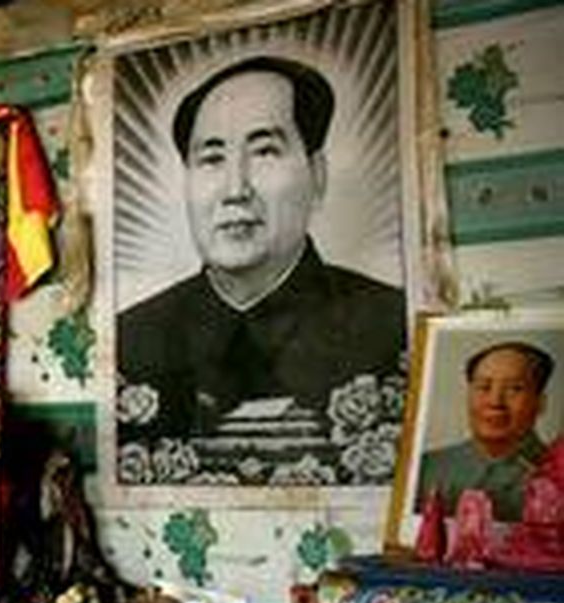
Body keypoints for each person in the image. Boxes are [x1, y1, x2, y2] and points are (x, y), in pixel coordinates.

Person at [117, 56, 405, 441]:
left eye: (265, 152)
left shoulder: (392, 325)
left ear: (317, 175)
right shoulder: (132, 338)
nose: (235, 189)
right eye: (212, 158)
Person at [418, 341, 555, 521]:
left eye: (514, 389)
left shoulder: (555, 472)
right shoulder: (428, 468)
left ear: (541, 403)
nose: (495, 402)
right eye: (484, 387)